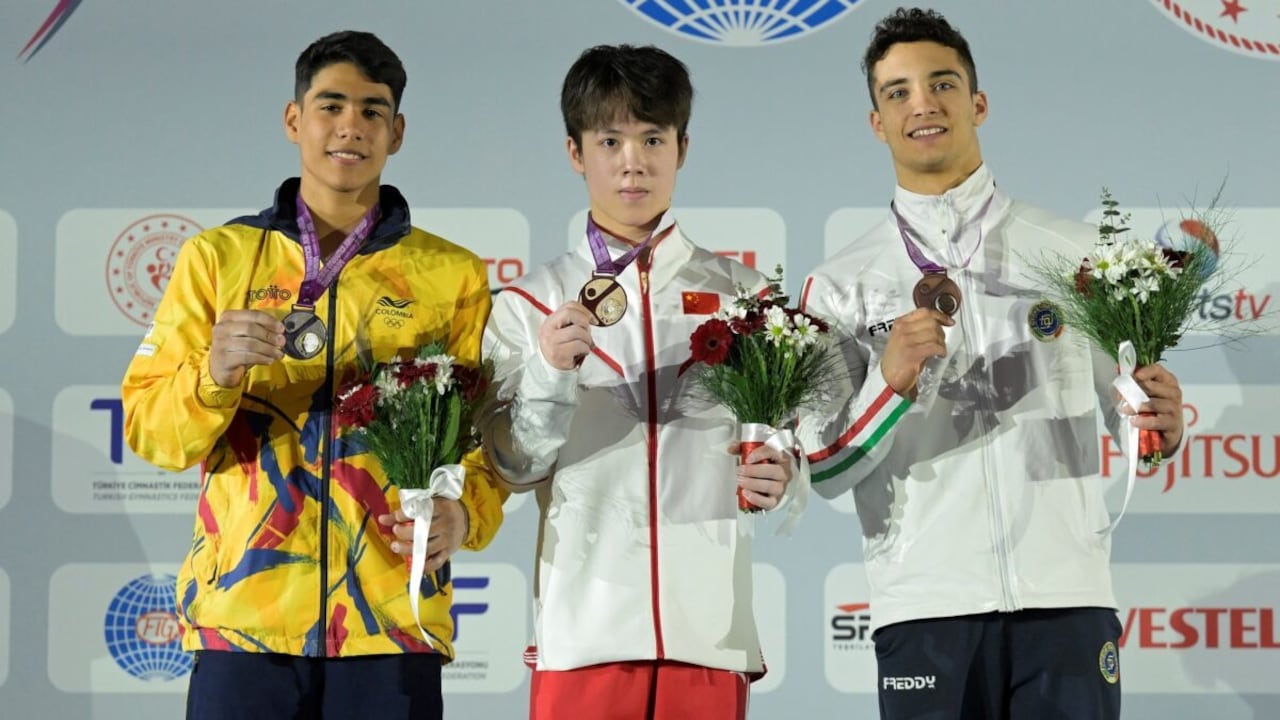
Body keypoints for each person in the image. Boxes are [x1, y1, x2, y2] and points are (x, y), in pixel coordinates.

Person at [796, 8, 1185, 719]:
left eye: (942, 84)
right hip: (926, 609)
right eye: (898, 93)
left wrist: (1159, 424)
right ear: (877, 123)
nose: (923, 104)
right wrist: (888, 384)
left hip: (1066, 600)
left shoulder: (1073, 254)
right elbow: (821, 468)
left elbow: (1130, 417)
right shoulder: (840, 284)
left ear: (977, 103)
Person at [120, 30, 504, 719]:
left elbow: (489, 440)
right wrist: (213, 372)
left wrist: (462, 512)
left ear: (398, 132)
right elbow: (152, 432)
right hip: (244, 619)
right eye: (331, 105)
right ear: (294, 119)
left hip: (391, 622)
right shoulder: (219, 258)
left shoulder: (451, 275)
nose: (350, 127)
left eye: (372, 111)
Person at [480, 44, 799, 720]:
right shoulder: (529, 304)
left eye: (653, 137)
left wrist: (782, 472)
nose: (633, 161)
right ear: (575, 152)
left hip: (708, 631)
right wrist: (550, 372)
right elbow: (515, 464)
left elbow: (788, 440)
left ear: (682, 147)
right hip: (585, 632)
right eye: (610, 139)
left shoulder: (744, 297)